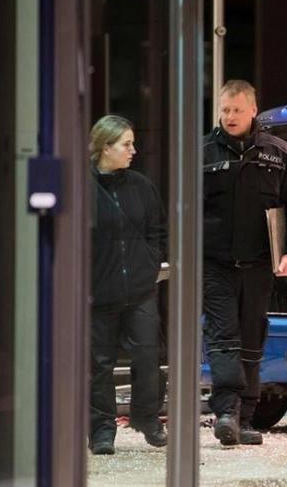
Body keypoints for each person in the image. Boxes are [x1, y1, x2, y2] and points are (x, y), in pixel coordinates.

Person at [202, 80, 287, 446]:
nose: (229, 116)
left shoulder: (278, 153)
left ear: (252, 111)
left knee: (251, 341)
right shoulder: (202, 152)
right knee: (223, 338)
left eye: (236, 109)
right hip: (214, 264)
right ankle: (226, 412)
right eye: (224, 109)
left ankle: (245, 418)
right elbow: (182, 206)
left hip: (259, 265)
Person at [89, 115, 167, 454]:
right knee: (98, 365)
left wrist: (149, 263)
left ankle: (148, 418)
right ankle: (102, 431)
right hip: (98, 293)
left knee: (149, 356)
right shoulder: (81, 187)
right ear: (106, 148)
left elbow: (158, 230)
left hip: (139, 290)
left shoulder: (141, 185)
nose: (133, 150)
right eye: (126, 144)